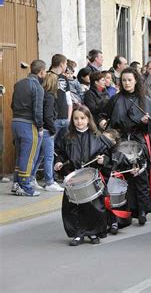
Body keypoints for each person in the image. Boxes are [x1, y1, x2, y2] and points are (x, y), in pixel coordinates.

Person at [99, 67, 151, 226]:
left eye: (129, 80)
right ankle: (124, 209)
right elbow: (103, 115)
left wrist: (147, 122)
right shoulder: (115, 99)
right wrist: (103, 121)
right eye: (124, 80)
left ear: (135, 81)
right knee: (121, 176)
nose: (126, 83)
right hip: (119, 141)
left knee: (140, 175)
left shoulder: (144, 100)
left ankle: (142, 210)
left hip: (137, 139)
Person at [54, 105, 114, 246]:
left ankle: (93, 232)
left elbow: (108, 154)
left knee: (94, 206)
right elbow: (60, 153)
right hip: (74, 176)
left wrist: (103, 160)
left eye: (82, 118)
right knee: (74, 207)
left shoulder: (97, 136)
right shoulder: (67, 136)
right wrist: (59, 162)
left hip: (91, 176)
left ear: (88, 119)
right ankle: (78, 233)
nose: (79, 121)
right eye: (76, 118)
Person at [11, 60, 46, 196]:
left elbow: (12, 105)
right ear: (41, 72)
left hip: (15, 122)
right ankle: (26, 186)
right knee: (29, 156)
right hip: (28, 124)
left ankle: (16, 183)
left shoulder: (18, 84)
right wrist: (40, 127)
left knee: (20, 154)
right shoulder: (37, 87)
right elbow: (38, 110)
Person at [30, 72, 63, 192]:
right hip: (47, 129)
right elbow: (48, 115)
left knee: (40, 156)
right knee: (49, 156)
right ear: (54, 83)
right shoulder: (50, 96)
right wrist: (53, 129)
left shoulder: (42, 94)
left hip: (40, 128)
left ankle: (31, 178)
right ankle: (49, 181)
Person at [50, 54, 73, 134]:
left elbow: (68, 98)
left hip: (65, 117)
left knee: (65, 144)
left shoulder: (64, 78)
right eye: (66, 63)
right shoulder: (47, 77)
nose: (66, 66)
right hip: (53, 118)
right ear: (61, 64)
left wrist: (69, 118)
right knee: (51, 143)